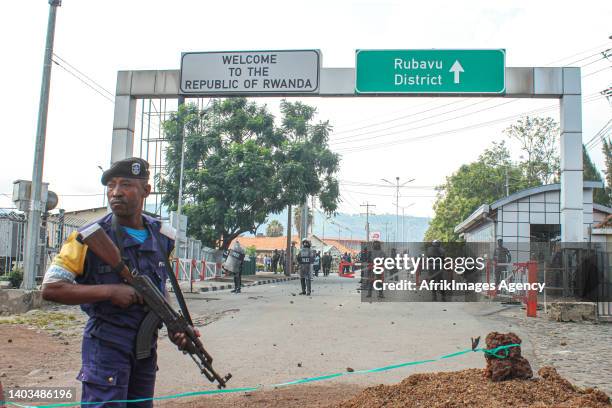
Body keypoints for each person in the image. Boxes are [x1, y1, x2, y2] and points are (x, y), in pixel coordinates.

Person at [41, 157, 199, 408]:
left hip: (145, 350)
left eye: (125, 184)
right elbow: (50, 289)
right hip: (106, 346)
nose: (115, 192)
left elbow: (158, 287)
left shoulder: (162, 237)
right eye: (111, 186)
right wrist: (110, 291)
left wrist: (172, 322)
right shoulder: (87, 237)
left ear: (146, 190)